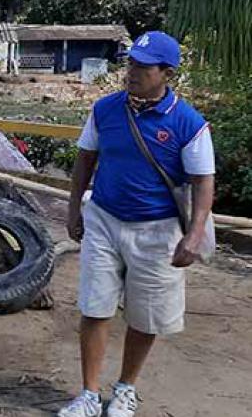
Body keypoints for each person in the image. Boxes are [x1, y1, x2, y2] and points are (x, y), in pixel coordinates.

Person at [57, 31, 215, 417]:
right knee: (95, 308)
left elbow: (203, 181)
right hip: (105, 220)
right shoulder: (105, 110)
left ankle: (125, 388)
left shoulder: (188, 123)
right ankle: (89, 395)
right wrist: (74, 208)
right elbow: (84, 160)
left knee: (146, 314)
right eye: (130, 64)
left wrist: (194, 234)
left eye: (143, 67)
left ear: (167, 73)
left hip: (158, 231)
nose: (132, 73)